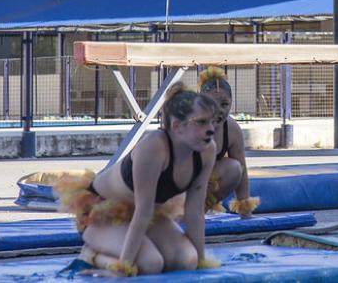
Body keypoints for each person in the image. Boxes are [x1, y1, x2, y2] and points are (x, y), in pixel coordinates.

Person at [54, 83, 220, 277]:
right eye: (201, 122)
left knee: (186, 260)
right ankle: (93, 255)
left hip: (142, 215)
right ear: (177, 126)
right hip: (100, 214)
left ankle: (127, 252)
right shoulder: (154, 147)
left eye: (212, 121)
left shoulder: (206, 150)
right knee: (151, 264)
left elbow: (194, 212)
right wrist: (123, 268)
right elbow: (143, 211)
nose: (211, 129)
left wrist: (201, 262)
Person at [198, 66, 259, 217]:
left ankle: (201, 209)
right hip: (173, 182)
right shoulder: (189, 124)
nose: (219, 110)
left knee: (234, 168)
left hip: (200, 182)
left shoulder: (231, 129)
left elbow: (242, 171)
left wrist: (245, 211)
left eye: (224, 104)